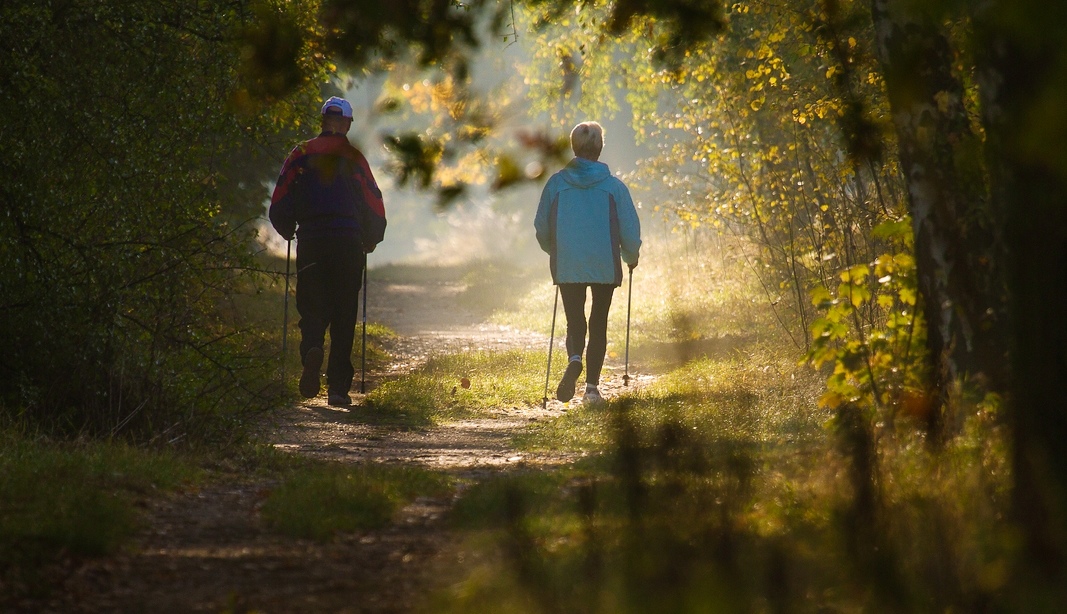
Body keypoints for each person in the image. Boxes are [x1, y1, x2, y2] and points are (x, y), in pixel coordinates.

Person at [269, 96, 387, 407]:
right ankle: (337, 388)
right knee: (345, 310)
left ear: (322, 121)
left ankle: (311, 348)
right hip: (348, 242)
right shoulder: (354, 157)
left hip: (312, 240)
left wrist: (286, 228)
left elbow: (280, 197)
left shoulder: (300, 154)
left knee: (311, 302)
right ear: (347, 124)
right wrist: (371, 237)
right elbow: (374, 201)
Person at [534, 121, 641, 404]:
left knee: (574, 320)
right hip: (604, 264)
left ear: (573, 147)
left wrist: (555, 251)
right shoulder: (614, 187)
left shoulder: (556, 183)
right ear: (600, 148)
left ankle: (574, 359)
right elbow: (629, 231)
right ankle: (591, 389)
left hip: (568, 263)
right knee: (599, 322)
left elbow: (541, 226)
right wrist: (631, 256)